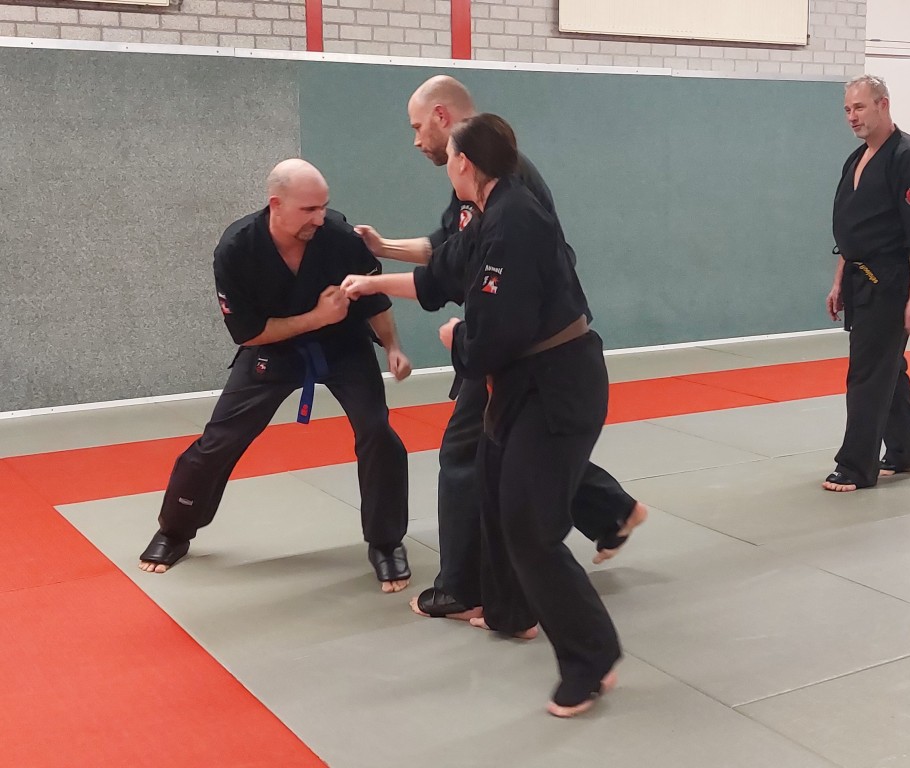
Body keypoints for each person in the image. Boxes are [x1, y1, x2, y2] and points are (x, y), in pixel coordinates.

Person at [342, 113, 620, 718]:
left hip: (557, 387)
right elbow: (442, 273)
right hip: (520, 385)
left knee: (530, 528)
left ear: (463, 161)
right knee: (493, 495)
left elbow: (498, 333)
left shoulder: (515, 220)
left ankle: (591, 657)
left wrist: (456, 339)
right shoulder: (487, 212)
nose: (443, 163)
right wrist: (371, 285)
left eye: (447, 157)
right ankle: (510, 611)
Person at [355, 74, 646, 620]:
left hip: (524, 346)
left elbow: (483, 276)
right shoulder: (487, 187)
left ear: (445, 122)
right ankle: (606, 513)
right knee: (513, 452)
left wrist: (466, 342)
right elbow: (450, 255)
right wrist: (380, 257)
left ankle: (467, 587)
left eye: (418, 127)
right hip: (516, 342)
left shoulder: (511, 201)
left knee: (470, 453)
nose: (416, 141)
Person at [138, 159, 414, 593]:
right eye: (308, 210)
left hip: (344, 345)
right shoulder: (237, 249)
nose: (319, 218)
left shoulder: (340, 238)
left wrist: (393, 347)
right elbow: (250, 334)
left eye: (323, 206)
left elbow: (375, 300)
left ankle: (386, 542)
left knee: (377, 432)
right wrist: (317, 317)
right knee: (220, 439)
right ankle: (175, 530)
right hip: (273, 347)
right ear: (276, 204)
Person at [823, 75, 910, 492]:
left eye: (860, 107)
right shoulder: (857, 158)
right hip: (861, 278)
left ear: (883, 105)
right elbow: (853, 228)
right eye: (847, 109)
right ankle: (905, 452)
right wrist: (840, 278)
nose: (852, 117)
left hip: (891, 281)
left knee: (868, 372)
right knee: (890, 366)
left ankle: (856, 466)